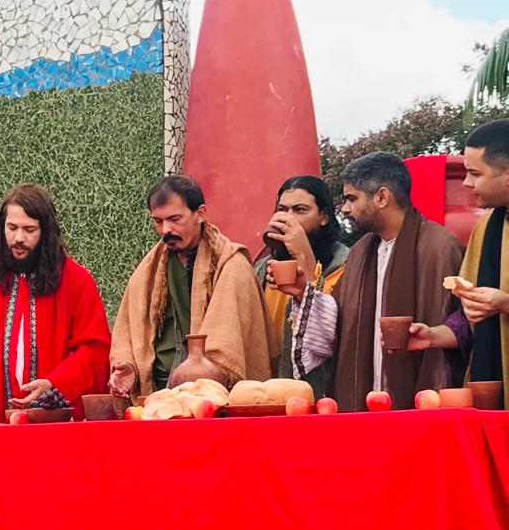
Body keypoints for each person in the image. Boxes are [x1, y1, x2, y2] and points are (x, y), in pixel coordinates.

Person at [273, 152, 464, 410]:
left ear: (382, 197)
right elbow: (337, 321)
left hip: (423, 407)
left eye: (352, 198)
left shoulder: (440, 248)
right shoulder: (361, 250)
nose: (344, 209)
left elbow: (465, 328)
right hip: (363, 403)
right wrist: (303, 293)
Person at [0, 183, 110, 421]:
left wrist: (55, 383)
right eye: (12, 228)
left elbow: (93, 348)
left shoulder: (77, 281)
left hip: (55, 421)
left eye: (29, 230)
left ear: (46, 233)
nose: (18, 238)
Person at [110, 175, 278, 398]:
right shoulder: (148, 270)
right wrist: (129, 367)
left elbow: (228, 347)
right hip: (159, 391)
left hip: (215, 394)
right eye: (158, 221)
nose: (165, 229)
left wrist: (204, 377)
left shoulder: (232, 266)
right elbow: (128, 333)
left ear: (200, 213)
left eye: (174, 219)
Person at [407, 119, 509, 404]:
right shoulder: (487, 227)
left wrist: (505, 304)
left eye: (475, 173)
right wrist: (434, 336)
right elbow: (471, 313)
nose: (466, 183)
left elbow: (496, 304)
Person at [253, 176, 350, 397]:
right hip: (268, 391)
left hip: (321, 393)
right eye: (282, 210)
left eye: (300, 210)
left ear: (324, 217)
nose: (289, 218)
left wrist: (303, 254)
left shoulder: (345, 264)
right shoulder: (262, 268)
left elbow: (329, 325)